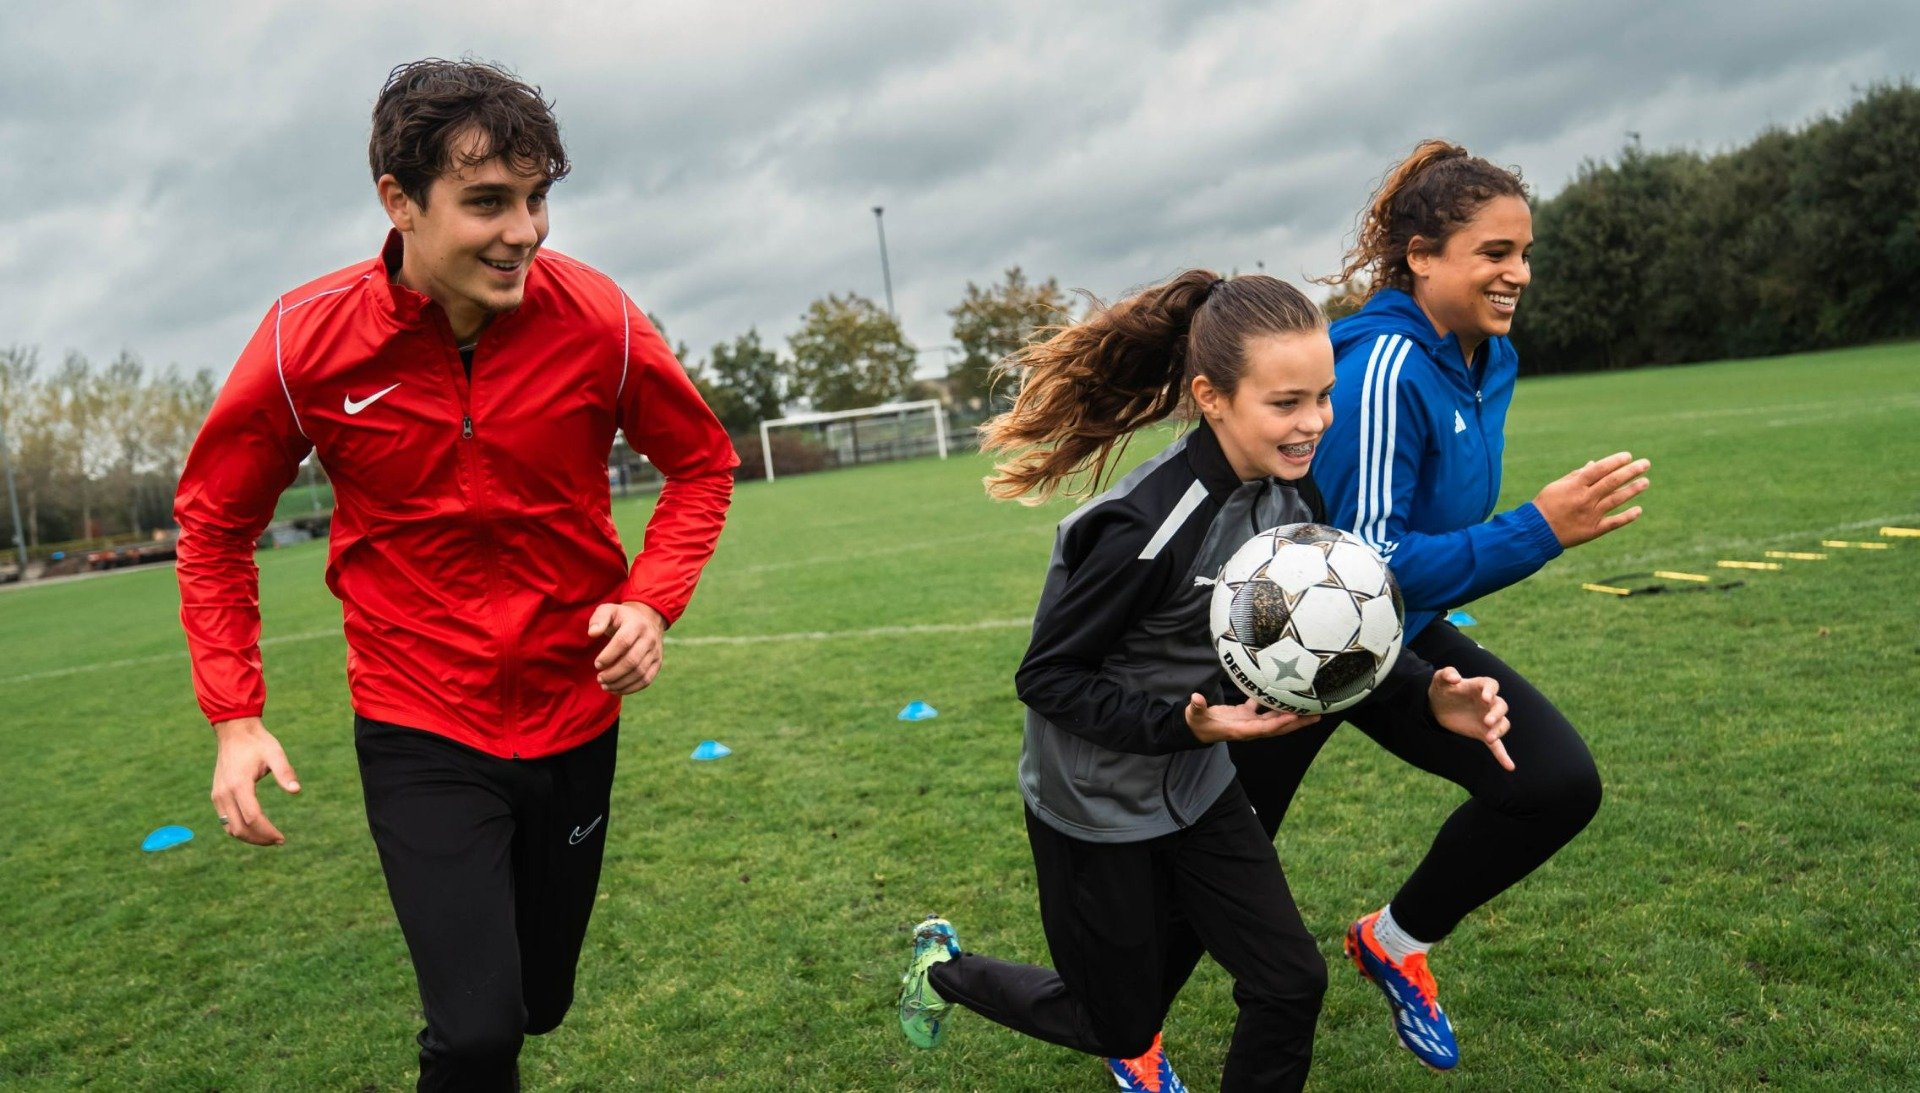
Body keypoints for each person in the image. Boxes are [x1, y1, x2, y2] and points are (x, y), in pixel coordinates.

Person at [173, 59, 736, 1090]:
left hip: (574, 713)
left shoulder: (598, 320)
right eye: (487, 202)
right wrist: (234, 712)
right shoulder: (308, 342)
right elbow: (214, 522)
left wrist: (652, 600)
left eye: (536, 199)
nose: (524, 231)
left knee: (535, 1004)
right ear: (399, 202)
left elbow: (702, 462)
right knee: (475, 1035)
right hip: (418, 721)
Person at [893, 270, 1514, 1092]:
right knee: (1117, 1021)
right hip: (1095, 804)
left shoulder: (1294, 487)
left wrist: (1424, 689)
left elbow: (1324, 636)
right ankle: (942, 967)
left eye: (1323, 396)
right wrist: (1185, 725)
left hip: (1199, 783)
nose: (1316, 423)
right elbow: (1047, 678)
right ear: (1211, 397)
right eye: (1286, 402)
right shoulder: (1144, 526)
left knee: (1291, 980)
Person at [1173, 141, 1646, 1074]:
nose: (1518, 273)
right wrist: (1538, 528)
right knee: (1221, 855)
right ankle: (1130, 1027)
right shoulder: (1387, 361)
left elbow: (1397, 571)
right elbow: (1367, 556)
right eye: (1495, 253)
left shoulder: (1487, 358)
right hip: (1291, 642)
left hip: (1385, 627)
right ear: (1423, 255)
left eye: (1525, 252)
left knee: (1549, 782)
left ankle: (1394, 940)